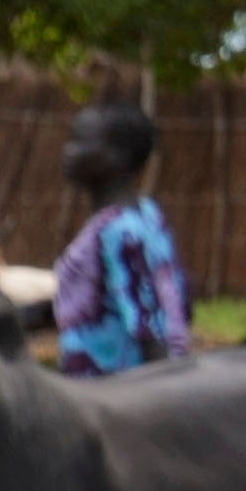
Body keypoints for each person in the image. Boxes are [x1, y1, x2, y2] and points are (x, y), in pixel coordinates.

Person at [48, 93, 192, 373]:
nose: (67, 151)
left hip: (112, 391)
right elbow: (178, 302)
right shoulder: (148, 215)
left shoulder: (118, 233)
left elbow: (150, 331)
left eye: (79, 141)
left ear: (118, 157)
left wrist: (169, 391)